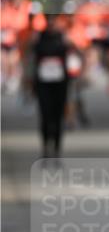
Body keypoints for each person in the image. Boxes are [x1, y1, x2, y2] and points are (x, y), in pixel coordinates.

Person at [25, 13, 79, 158]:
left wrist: (78, 73)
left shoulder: (64, 37)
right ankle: (45, 147)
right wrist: (28, 81)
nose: (51, 23)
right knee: (45, 115)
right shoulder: (37, 38)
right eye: (48, 20)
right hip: (43, 83)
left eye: (53, 20)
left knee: (58, 116)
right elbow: (29, 58)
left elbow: (77, 53)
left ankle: (56, 148)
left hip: (60, 83)